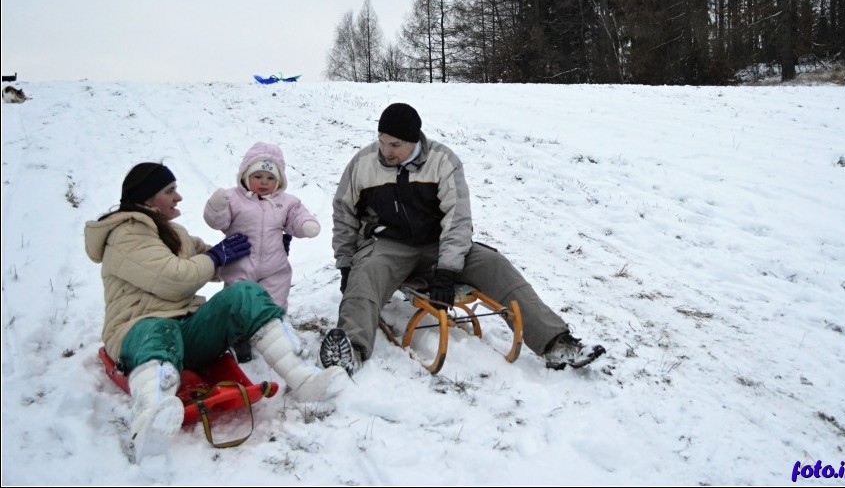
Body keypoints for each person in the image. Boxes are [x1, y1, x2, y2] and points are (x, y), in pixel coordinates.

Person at [85, 162, 348, 462]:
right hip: (140, 330)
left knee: (246, 294)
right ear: (147, 199)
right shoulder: (126, 235)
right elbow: (174, 278)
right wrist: (214, 256)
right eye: (170, 191)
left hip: (186, 333)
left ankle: (303, 379)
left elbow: (215, 261)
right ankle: (150, 418)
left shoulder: (173, 232)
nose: (179, 197)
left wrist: (264, 249)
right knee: (159, 328)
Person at [319, 103, 605, 374]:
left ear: (414, 140)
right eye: (382, 141)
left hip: (439, 243)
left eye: (395, 145)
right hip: (388, 245)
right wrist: (346, 263)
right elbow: (344, 213)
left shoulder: (443, 161)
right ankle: (351, 350)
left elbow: (457, 219)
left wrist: (447, 269)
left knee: (495, 264)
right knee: (365, 272)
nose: (386, 151)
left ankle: (556, 343)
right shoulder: (363, 163)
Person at [203, 142, 320, 361]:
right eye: (258, 176)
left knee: (274, 304)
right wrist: (215, 207)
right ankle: (240, 340)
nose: (264, 182)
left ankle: (278, 336)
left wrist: (306, 225)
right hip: (240, 265)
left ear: (279, 181)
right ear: (246, 176)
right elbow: (218, 221)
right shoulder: (233, 199)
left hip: (274, 267)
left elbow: (296, 216)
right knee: (239, 305)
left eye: (270, 178)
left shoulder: (285, 202)